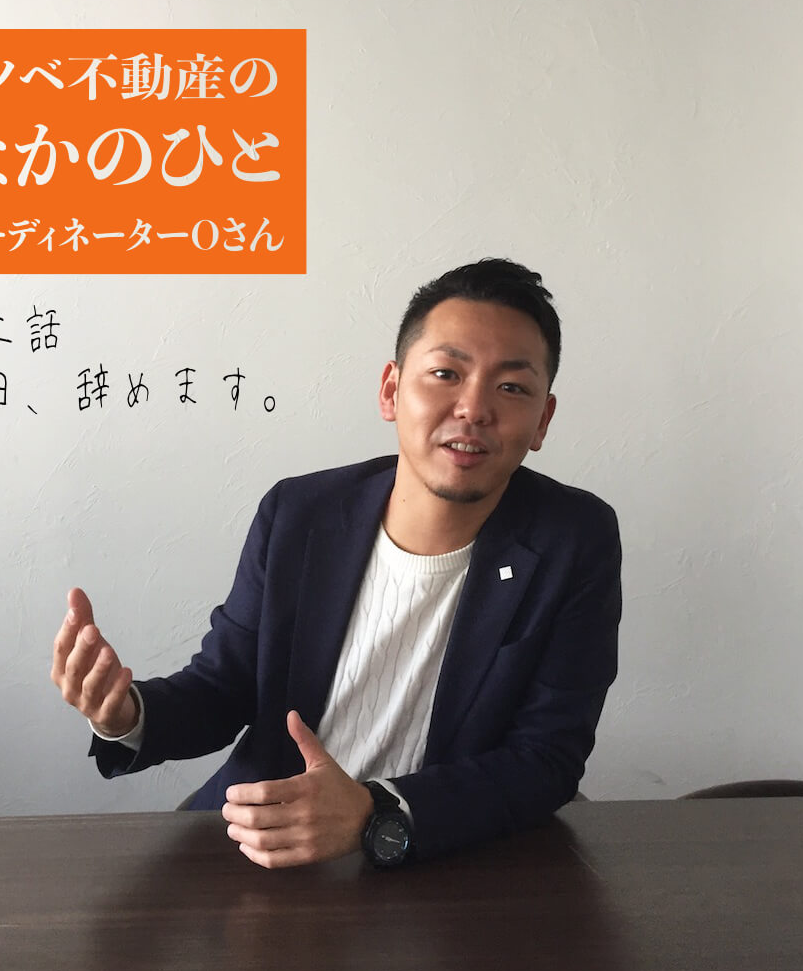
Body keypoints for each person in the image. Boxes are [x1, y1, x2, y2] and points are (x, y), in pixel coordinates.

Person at [51, 258, 621, 868]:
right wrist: (128, 714)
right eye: (445, 373)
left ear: (542, 420)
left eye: (511, 388)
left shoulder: (573, 540)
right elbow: (225, 687)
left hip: (438, 860)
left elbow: (546, 757)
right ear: (391, 391)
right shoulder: (300, 514)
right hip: (263, 841)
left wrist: (376, 811)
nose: (474, 408)